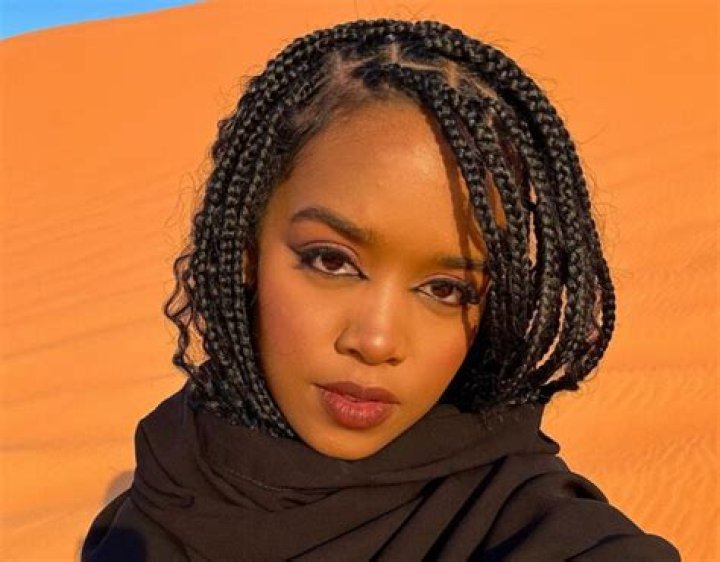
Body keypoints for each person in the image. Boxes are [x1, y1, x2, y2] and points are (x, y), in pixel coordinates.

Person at [81, 18, 681, 561]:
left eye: (446, 289)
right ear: (246, 251)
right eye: (331, 261)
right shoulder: (162, 489)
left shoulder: (524, 522)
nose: (376, 341)